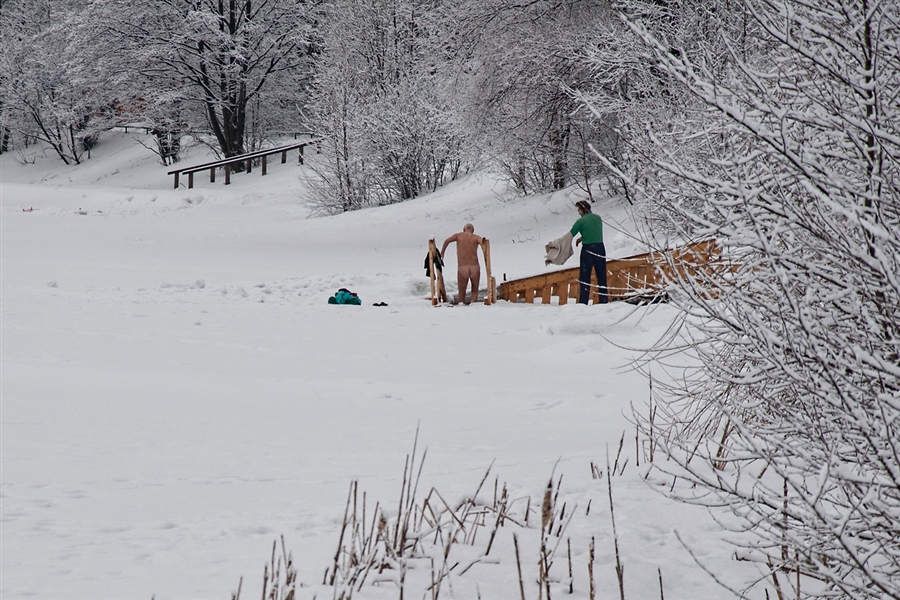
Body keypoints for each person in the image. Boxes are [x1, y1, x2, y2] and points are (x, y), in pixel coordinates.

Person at [570, 200, 607, 304]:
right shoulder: (598, 218)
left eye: (579, 210)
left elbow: (571, 234)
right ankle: (604, 300)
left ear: (583, 209)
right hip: (600, 248)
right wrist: (582, 237)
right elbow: (592, 231)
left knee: (585, 277)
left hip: (588, 249)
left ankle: (583, 302)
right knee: (601, 276)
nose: (578, 212)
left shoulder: (580, 221)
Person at [441, 223, 484, 305]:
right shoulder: (476, 237)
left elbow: (447, 241)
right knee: (475, 290)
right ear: (473, 230)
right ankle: (473, 304)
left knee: (461, 291)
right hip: (474, 266)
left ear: (463, 229)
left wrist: (442, 252)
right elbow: (483, 244)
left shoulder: (458, 236)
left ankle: (461, 304)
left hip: (462, 267)